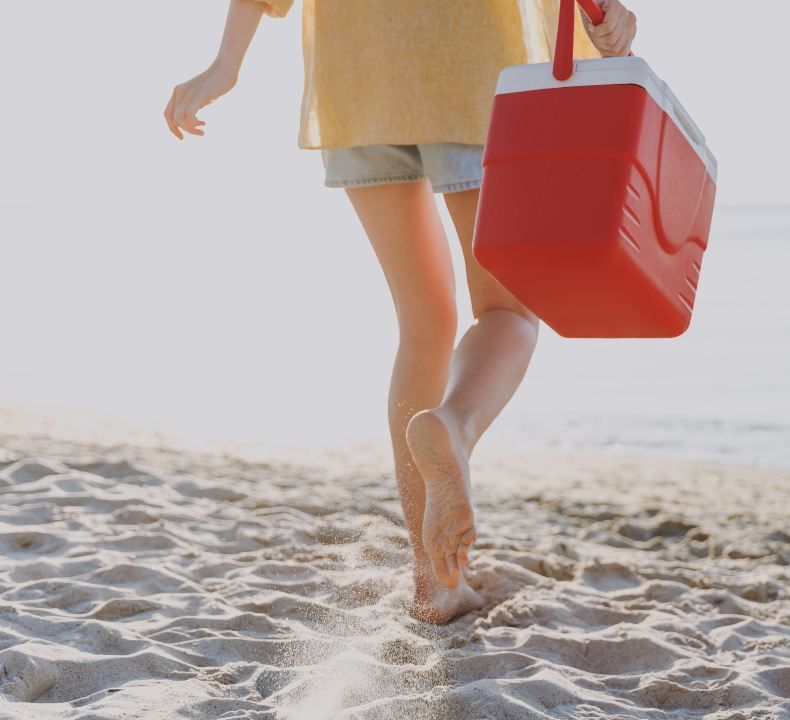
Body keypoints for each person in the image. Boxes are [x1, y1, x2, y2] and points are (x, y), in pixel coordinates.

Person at [164, 0, 637, 623]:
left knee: (423, 325)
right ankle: (455, 427)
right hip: (471, 73)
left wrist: (226, 65)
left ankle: (433, 580)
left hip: (356, 87)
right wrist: (605, 16)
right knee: (509, 313)